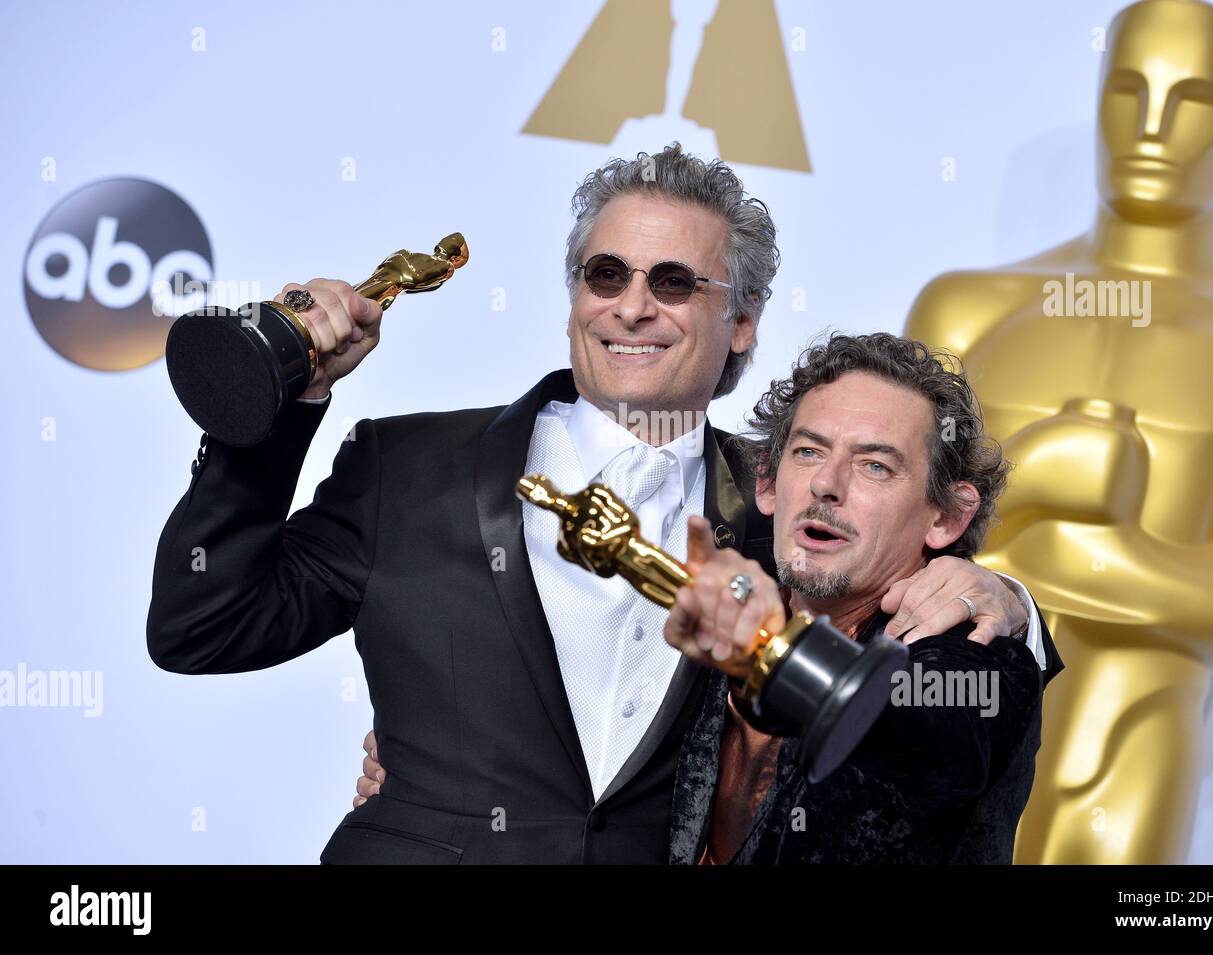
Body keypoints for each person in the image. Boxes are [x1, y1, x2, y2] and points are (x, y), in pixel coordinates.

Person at [149, 144, 1051, 864]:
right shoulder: (410, 464)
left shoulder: (783, 507)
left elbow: (903, 651)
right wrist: (270, 405)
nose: (630, 306)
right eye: (606, 274)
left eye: (672, 282)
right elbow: (205, 624)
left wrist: (1014, 603)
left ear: (741, 322)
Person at [662, 332, 1063, 864]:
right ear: (767, 484)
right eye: (808, 451)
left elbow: (937, 744)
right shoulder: (724, 604)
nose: (826, 483)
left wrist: (771, 654)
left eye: (875, 465)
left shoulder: (981, 653)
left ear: (947, 516)